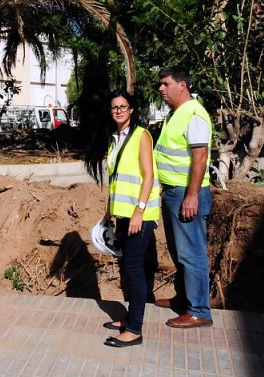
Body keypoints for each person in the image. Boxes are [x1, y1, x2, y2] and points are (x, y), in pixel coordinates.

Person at [84, 90, 161, 348]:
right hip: (124, 214)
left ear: (131, 110)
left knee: (133, 270)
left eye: (123, 106)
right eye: (114, 107)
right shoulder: (114, 139)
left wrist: (139, 211)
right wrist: (109, 211)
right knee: (128, 267)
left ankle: (135, 330)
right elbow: (117, 180)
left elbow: (148, 177)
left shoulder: (141, 136)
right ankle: (129, 318)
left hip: (141, 215)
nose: (118, 110)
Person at [153, 66, 214, 328]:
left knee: (192, 254)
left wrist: (191, 196)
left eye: (165, 84)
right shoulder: (176, 114)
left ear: (182, 85)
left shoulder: (194, 114)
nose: (161, 89)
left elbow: (200, 156)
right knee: (180, 253)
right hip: (173, 192)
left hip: (186, 194)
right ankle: (184, 299)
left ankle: (200, 310)